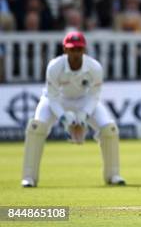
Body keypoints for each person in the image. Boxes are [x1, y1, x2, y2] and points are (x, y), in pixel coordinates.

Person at [21, 31, 125, 187]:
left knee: (109, 129)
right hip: (57, 101)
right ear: (65, 50)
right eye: (72, 49)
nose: (76, 54)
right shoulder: (55, 66)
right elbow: (53, 97)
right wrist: (64, 118)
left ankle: (113, 175)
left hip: (84, 100)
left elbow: (94, 96)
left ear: (84, 50)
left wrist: (84, 114)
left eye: (79, 49)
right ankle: (29, 177)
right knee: (36, 127)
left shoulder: (94, 67)